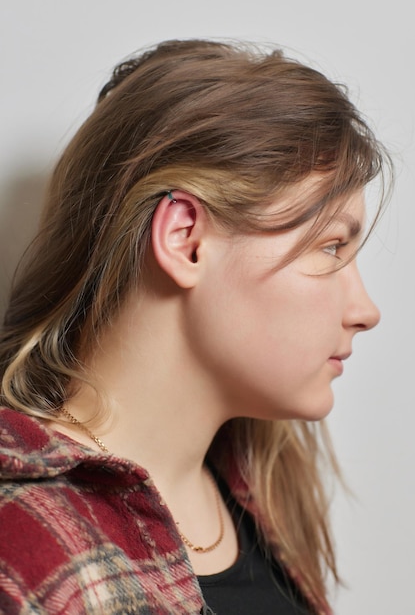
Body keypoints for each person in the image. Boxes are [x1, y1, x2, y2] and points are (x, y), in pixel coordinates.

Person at [0, 39, 391, 615]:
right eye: (331, 247)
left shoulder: (260, 489)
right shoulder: (22, 543)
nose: (367, 310)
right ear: (185, 240)